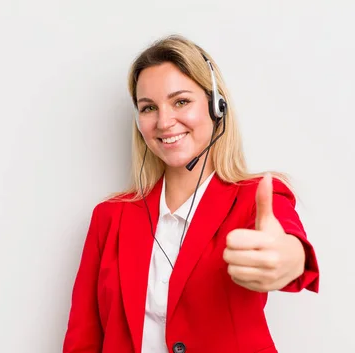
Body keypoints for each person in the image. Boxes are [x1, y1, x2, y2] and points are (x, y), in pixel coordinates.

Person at [62, 34, 320, 353]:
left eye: (180, 101)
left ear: (216, 106)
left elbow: (291, 249)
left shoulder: (257, 197)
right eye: (148, 108)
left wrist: (286, 259)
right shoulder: (109, 217)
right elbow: (82, 339)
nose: (164, 121)